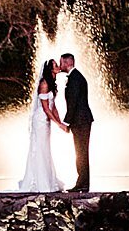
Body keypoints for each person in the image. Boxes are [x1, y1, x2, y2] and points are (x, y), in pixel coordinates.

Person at [18, 58, 68, 192]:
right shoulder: (44, 84)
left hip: (46, 121)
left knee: (46, 149)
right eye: (55, 65)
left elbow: (53, 107)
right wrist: (58, 124)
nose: (58, 66)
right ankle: (39, 182)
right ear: (50, 69)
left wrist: (61, 121)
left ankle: (48, 178)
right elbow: (46, 109)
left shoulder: (51, 84)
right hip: (40, 120)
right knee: (40, 149)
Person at [59, 52, 93, 192]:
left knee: (81, 152)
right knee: (81, 152)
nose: (60, 65)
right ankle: (83, 182)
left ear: (68, 63)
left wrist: (66, 122)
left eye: (61, 63)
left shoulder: (75, 78)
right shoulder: (75, 77)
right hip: (81, 120)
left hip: (81, 121)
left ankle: (82, 184)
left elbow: (73, 102)